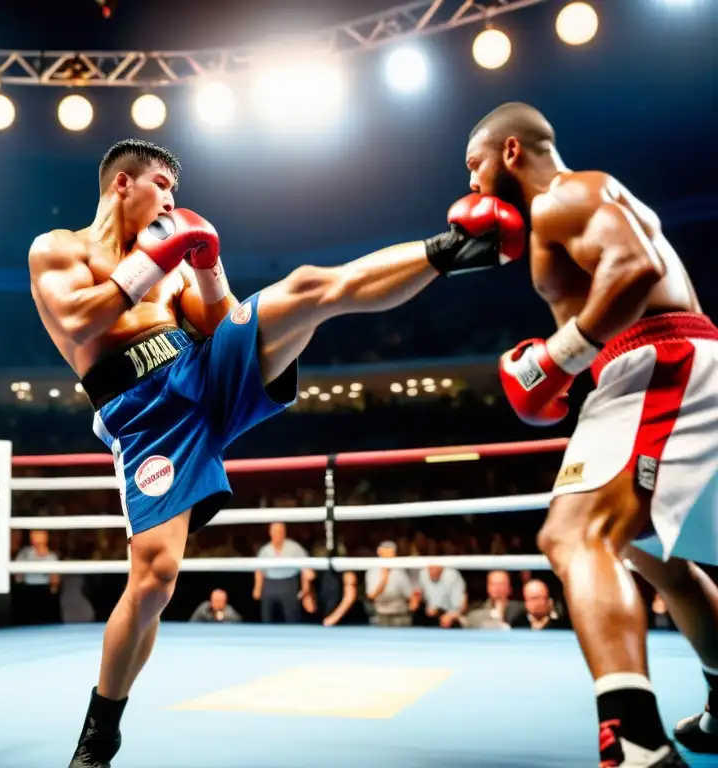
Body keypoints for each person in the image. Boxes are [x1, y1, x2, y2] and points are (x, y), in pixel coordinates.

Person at [27, 138, 525, 768]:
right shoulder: (60, 248)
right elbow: (77, 322)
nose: (172, 201)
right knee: (154, 580)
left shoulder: (175, 261)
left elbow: (224, 323)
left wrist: (206, 268)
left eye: (176, 192)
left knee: (310, 289)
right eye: (161, 184)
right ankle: (103, 728)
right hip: (144, 413)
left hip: (204, 370)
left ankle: (455, 249)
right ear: (122, 184)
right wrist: (155, 261)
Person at [472, 102, 718, 767]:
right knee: (647, 550)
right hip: (651, 363)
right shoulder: (583, 198)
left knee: (574, 534)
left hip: (656, 360)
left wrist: (556, 358)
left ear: (512, 152)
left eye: (476, 165)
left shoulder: (563, 195)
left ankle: (633, 741)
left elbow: (633, 266)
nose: (472, 187)